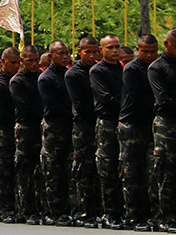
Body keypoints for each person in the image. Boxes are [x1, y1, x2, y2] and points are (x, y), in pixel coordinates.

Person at [148, 28, 176, 232]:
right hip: (167, 123)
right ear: (166, 44)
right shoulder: (158, 67)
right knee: (166, 171)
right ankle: (166, 216)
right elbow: (162, 99)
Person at [120, 34, 158, 231]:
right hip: (133, 124)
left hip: (152, 123)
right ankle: (135, 214)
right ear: (138, 49)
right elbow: (136, 97)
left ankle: (154, 213)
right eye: (145, 51)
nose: (150, 55)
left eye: (153, 51)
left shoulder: (157, 67)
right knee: (133, 172)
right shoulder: (131, 69)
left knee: (153, 171)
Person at [91, 34, 126, 228]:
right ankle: (110, 212)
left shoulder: (123, 69)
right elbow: (105, 97)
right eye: (110, 47)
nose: (115, 50)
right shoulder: (98, 71)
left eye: (117, 47)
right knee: (108, 168)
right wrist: (125, 107)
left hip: (124, 121)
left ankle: (125, 210)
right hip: (107, 123)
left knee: (124, 168)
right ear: (101, 50)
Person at [66, 36, 100, 227]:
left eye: (96, 51)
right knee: (83, 169)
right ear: (80, 52)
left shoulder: (101, 70)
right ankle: (83, 211)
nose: (93, 55)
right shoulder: (74, 74)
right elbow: (80, 105)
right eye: (88, 52)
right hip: (83, 126)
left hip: (99, 124)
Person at [38, 40, 73, 226]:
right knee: (53, 170)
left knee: (69, 169)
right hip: (54, 127)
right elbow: (51, 105)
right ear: (51, 56)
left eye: (66, 52)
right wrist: (72, 112)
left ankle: (70, 209)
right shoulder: (47, 78)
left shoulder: (70, 74)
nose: (65, 56)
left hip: (70, 126)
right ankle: (54, 211)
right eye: (61, 53)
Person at [11, 45, 44, 225]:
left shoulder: (41, 77)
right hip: (25, 128)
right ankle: (25, 209)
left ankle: (41, 208)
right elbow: (25, 107)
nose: (33, 64)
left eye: (35, 60)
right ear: (22, 61)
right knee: (25, 170)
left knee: (41, 170)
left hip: (41, 127)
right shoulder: (17, 81)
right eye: (29, 60)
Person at [0, 47, 19, 224]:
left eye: (18, 63)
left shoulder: (18, 80)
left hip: (17, 130)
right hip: (3, 131)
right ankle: (3, 209)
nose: (16, 66)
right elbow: (1, 112)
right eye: (12, 62)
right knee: (3, 172)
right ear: (3, 62)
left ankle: (17, 207)